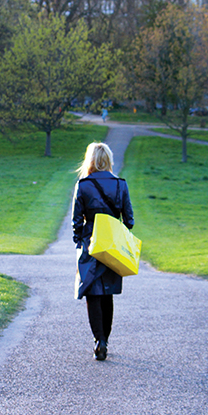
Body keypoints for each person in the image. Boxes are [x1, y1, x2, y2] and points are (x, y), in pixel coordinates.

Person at [72, 142, 134, 361]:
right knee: (107, 292)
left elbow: (76, 222)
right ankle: (104, 339)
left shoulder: (83, 185)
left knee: (91, 292)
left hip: (90, 243)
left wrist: (79, 243)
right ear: (108, 160)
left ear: (90, 160)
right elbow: (130, 220)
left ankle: (99, 339)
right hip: (113, 244)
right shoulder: (120, 185)